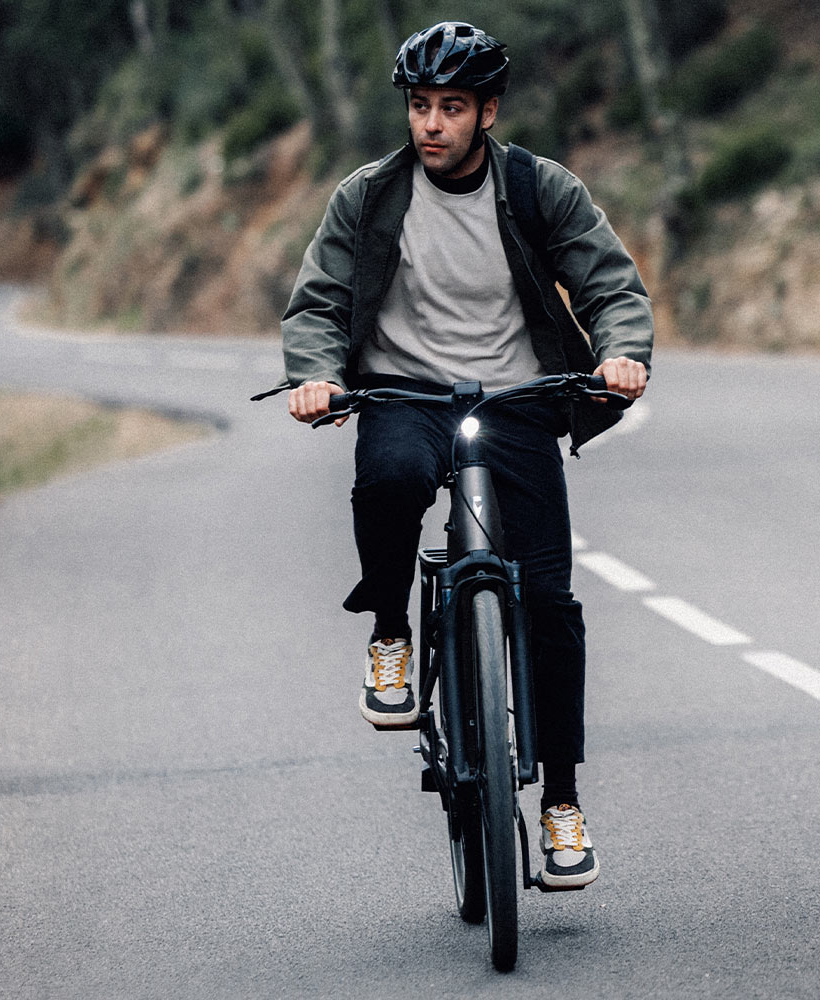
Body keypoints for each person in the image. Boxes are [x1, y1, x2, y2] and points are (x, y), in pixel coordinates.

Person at [277, 21, 653, 889]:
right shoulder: (369, 197)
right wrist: (316, 378)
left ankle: (560, 804)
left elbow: (610, 285)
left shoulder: (537, 188)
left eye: (452, 107)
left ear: (488, 111)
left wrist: (621, 353)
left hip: (517, 404)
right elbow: (319, 305)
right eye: (419, 107)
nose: (432, 125)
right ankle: (390, 631)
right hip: (405, 395)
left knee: (551, 602)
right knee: (393, 477)